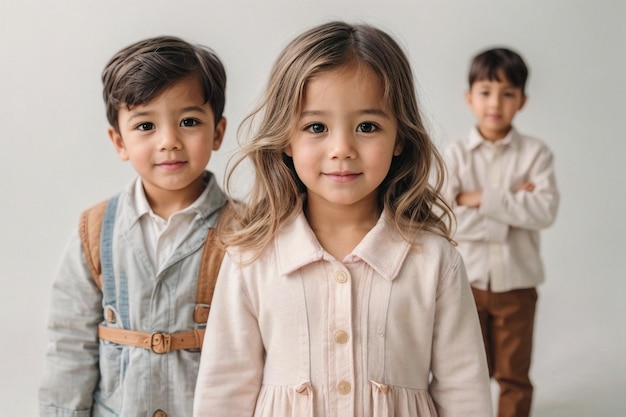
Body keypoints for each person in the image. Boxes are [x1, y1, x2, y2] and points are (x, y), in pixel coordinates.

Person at [193, 21, 492, 417]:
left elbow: (465, 393)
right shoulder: (251, 258)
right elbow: (223, 393)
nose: (342, 149)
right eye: (316, 127)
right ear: (286, 136)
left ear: (400, 136)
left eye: (367, 127)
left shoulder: (435, 262)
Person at [39, 35, 228, 416]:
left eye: (189, 121)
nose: (169, 141)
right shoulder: (94, 231)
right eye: (145, 126)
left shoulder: (245, 233)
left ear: (218, 132)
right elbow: (69, 344)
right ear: (119, 141)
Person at [443, 47, 559, 417]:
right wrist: (510, 203)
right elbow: (448, 219)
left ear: (522, 101)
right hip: (467, 284)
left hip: (517, 287)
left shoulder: (536, 154)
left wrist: (477, 198)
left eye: (508, 93)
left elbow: (544, 211)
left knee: (513, 376)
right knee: (467, 372)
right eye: (486, 91)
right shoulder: (456, 154)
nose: (496, 102)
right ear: (469, 97)